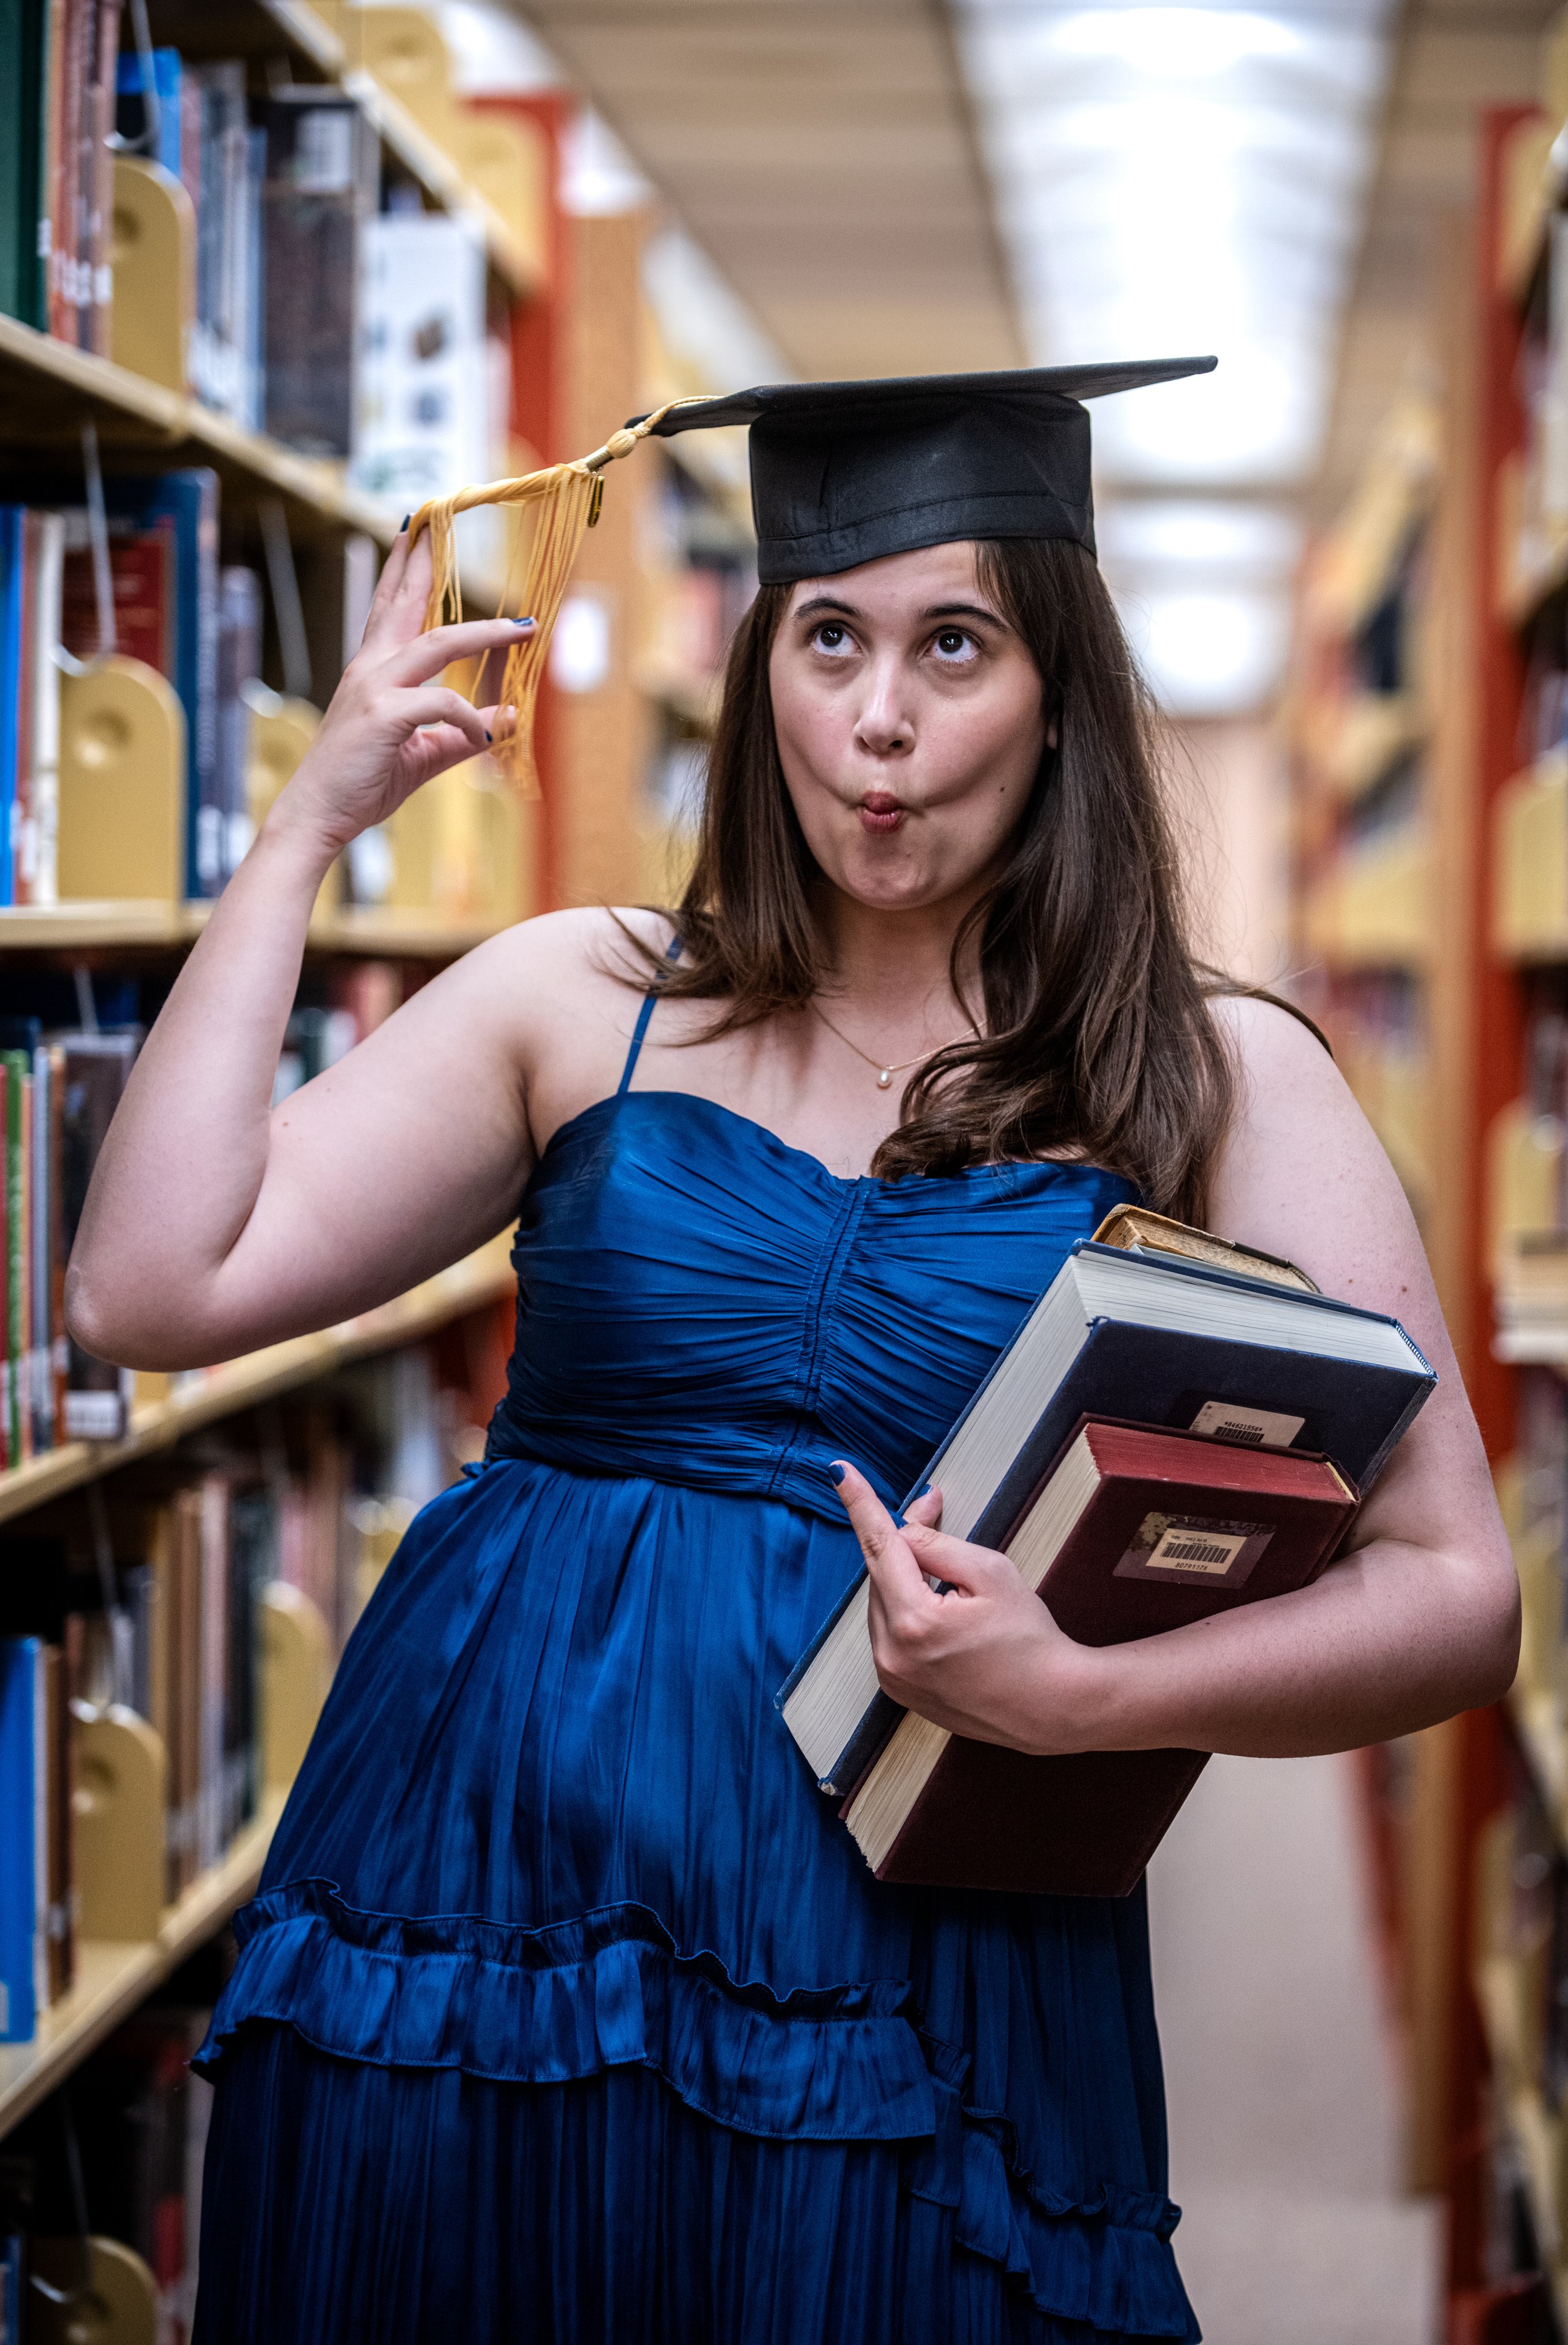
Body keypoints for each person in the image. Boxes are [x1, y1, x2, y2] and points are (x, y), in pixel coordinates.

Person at [66, 366, 1517, 2345]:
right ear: (760, 673)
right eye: (827, 638)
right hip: (477, 1893)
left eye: (953, 644)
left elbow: (1453, 1598)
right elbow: (145, 1292)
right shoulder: (585, 1001)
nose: (881, 719)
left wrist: (1083, 1695)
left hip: (914, 1931)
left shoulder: (1213, 1073)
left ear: (1055, 693)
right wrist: (302, 835)